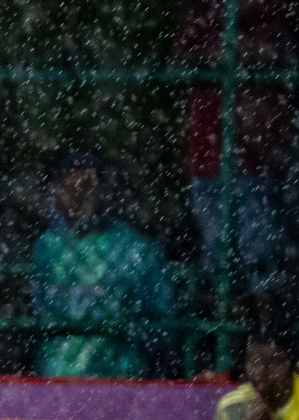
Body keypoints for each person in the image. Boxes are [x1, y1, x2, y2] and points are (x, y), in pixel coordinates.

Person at [177, 0, 295, 320]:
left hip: (254, 156)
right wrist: (224, 52)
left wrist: (241, 49)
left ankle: (265, 337)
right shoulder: (204, 15)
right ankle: (233, 344)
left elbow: (278, 55)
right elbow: (184, 59)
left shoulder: (272, 16)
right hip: (210, 156)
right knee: (220, 258)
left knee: (260, 254)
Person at [31, 152, 177, 379]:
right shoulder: (46, 247)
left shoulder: (136, 249)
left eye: (84, 188)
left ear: (103, 193)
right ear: (56, 192)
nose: (75, 198)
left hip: (119, 383)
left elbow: (160, 325)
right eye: (68, 189)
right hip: (53, 382)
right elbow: (40, 314)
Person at [214, 330, 299, 420]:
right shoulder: (231, 407)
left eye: (275, 362)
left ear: (293, 367)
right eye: (255, 361)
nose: (262, 372)